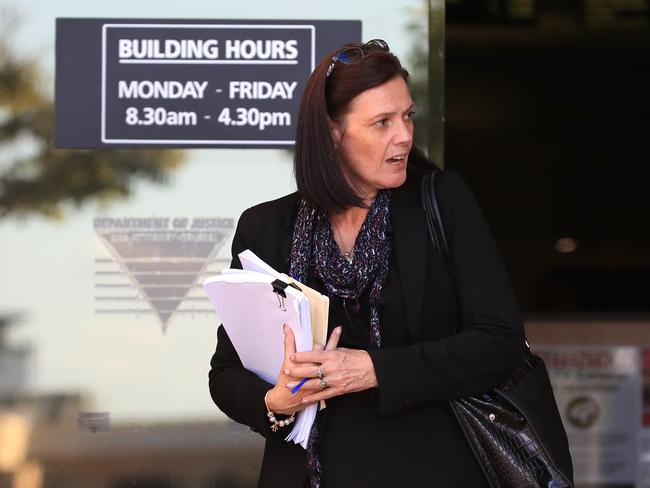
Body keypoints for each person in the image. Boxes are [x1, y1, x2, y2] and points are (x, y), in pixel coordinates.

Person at [209, 39, 526, 488]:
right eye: (382, 122)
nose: (404, 135)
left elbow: (500, 343)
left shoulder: (442, 203)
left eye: (407, 116)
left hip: (432, 470)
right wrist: (277, 401)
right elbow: (225, 374)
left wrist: (372, 369)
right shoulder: (265, 227)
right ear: (332, 132)